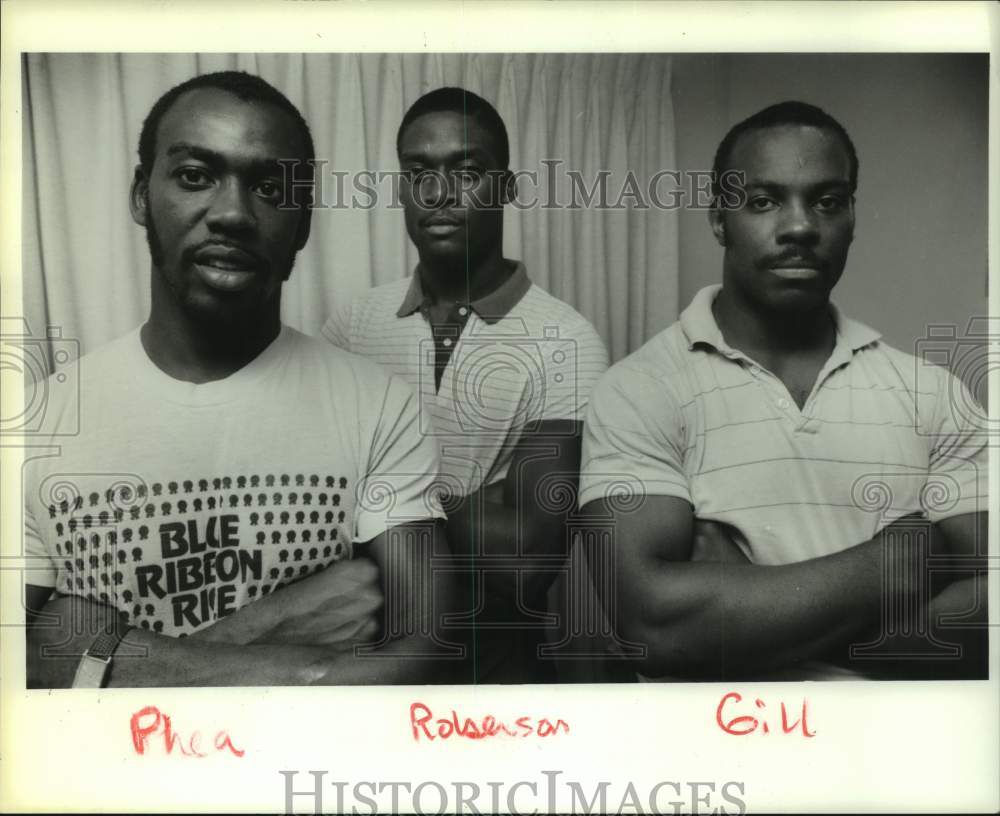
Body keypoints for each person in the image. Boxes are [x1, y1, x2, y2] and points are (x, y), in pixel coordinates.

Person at [24, 71, 456, 687]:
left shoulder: (379, 406)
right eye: (196, 176)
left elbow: (429, 658)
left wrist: (97, 661)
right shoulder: (37, 423)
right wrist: (301, 653)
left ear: (303, 223)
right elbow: (15, 673)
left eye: (270, 187)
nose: (231, 213)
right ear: (142, 195)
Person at [579, 101, 988, 681]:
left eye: (827, 201)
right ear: (719, 218)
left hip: (890, 758)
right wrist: (904, 561)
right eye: (763, 201)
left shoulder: (932, 393)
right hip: (717, 759)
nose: (800, 226)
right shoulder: (639, 390)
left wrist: (759, 618)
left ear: (852, 216)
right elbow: (655, 625)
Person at [321, 87, 610, 682]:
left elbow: (528, 556)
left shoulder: (566, 339)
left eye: (467, 171)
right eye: (418, 172)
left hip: (493, 663)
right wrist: (478, 504)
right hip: (361, 653)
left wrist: (376, 490)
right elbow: (312, 506)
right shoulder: (353, 325)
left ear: (506, 187)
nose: (439, 193)